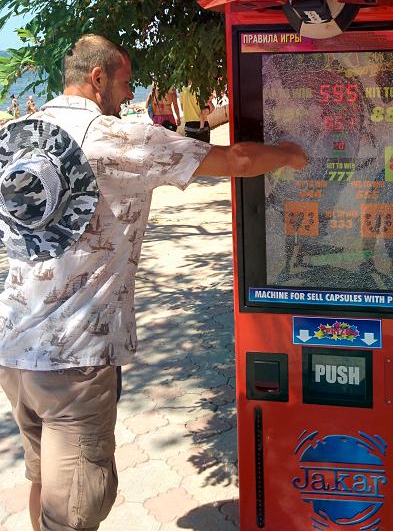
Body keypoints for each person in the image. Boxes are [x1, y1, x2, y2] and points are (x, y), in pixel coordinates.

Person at [0, 34, 307, 531]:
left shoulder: (18, 134)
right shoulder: (116, 137)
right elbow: (238, 161)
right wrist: (294, 153)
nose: (130, 94)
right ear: (97, 78)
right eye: (125, 83)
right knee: (75, 508)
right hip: (75, 357)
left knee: (43, 481)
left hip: (15, 349)